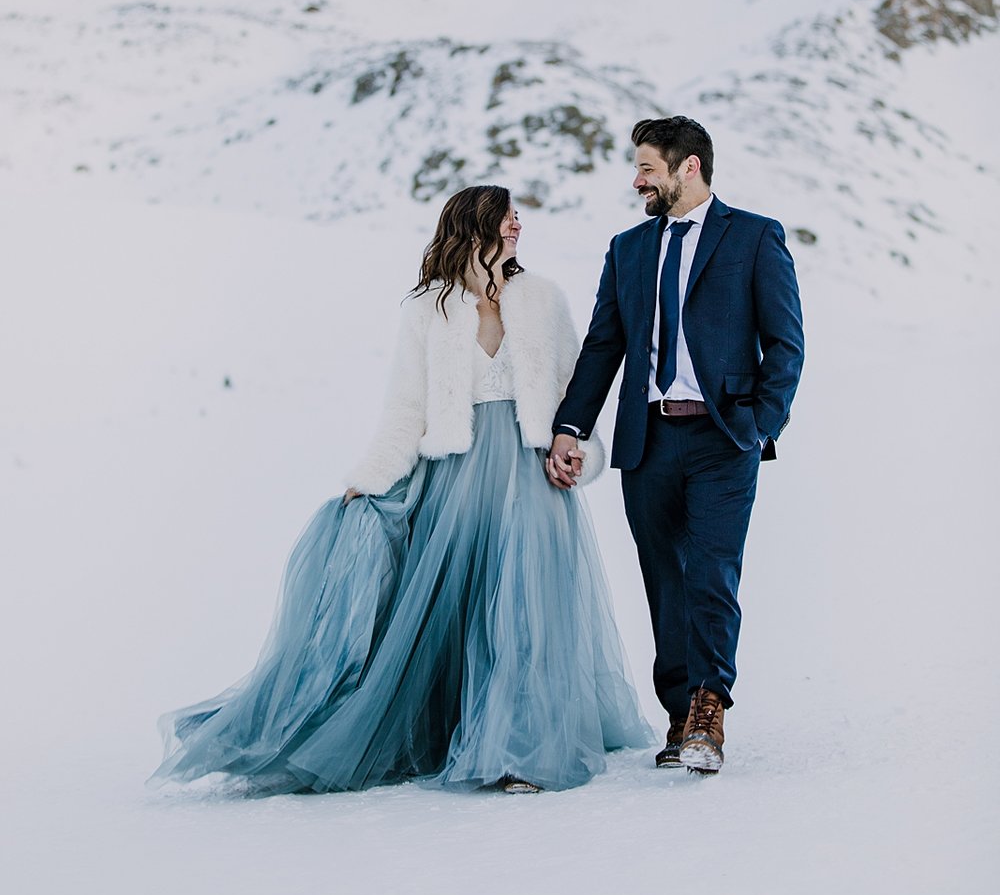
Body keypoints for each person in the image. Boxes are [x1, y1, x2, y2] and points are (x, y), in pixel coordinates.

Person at [149, 185, 651, 797]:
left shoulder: (543, 299)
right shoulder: (429, 310)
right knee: (469, 614)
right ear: (474, 228)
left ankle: (517, 749)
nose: (518, 226)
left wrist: (581, 452)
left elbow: (579, 395)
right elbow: (405, 409)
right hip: (459, 482)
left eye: (519, 217)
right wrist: (367, 481)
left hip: (531, 475)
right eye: (507, 216)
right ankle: (467, 733)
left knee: (524, 611)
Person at [547, 117, 804, 776]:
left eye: (647, 169)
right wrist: (571, 426)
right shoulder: (627, 249)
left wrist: (757, 424)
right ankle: (678, 712)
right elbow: (605, 346)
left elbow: (786, 345)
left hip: (724, 439)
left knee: (712, 574)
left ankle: (709, 710)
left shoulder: (753, 236)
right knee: (666, 582)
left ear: (688, 167)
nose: (637, 181)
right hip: (649, 438)